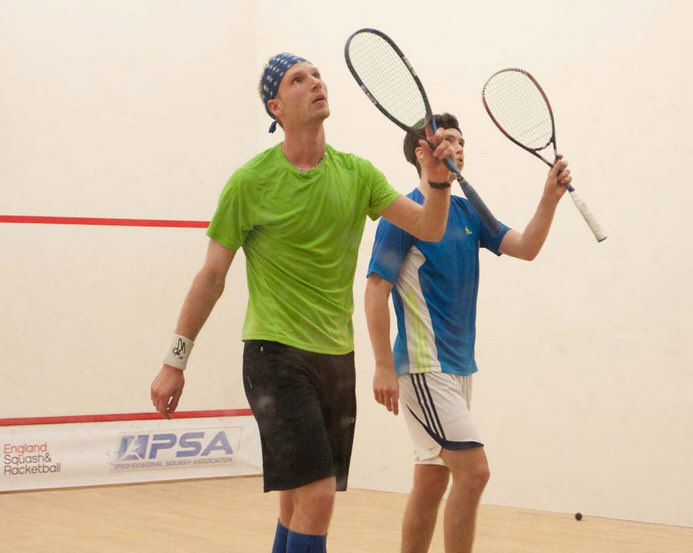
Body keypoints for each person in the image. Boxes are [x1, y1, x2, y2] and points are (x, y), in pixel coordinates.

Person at [150, 53, 456, 553]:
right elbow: (212, 276)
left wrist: (437, 180)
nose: (315, 82)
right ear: (276, 107)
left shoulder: (357, 174)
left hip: (335, 358)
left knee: (298, 500)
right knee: (317, 496)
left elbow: (429, 227)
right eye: (298, 79)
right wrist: (174, 361)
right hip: (274, 357)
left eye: (316, 75)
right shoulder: (251, 182)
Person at [364, 112, 571, 553]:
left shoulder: (467, 212)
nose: (458, 149)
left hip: (458, 368)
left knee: (432, 480)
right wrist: (382, 365)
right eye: (448, 140)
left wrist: (549, 198)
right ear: (422, 151)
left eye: (462, 142)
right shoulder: (402, 216)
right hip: (424, 366)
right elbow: (376, 290)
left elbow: (526, 247)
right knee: (475, 472)